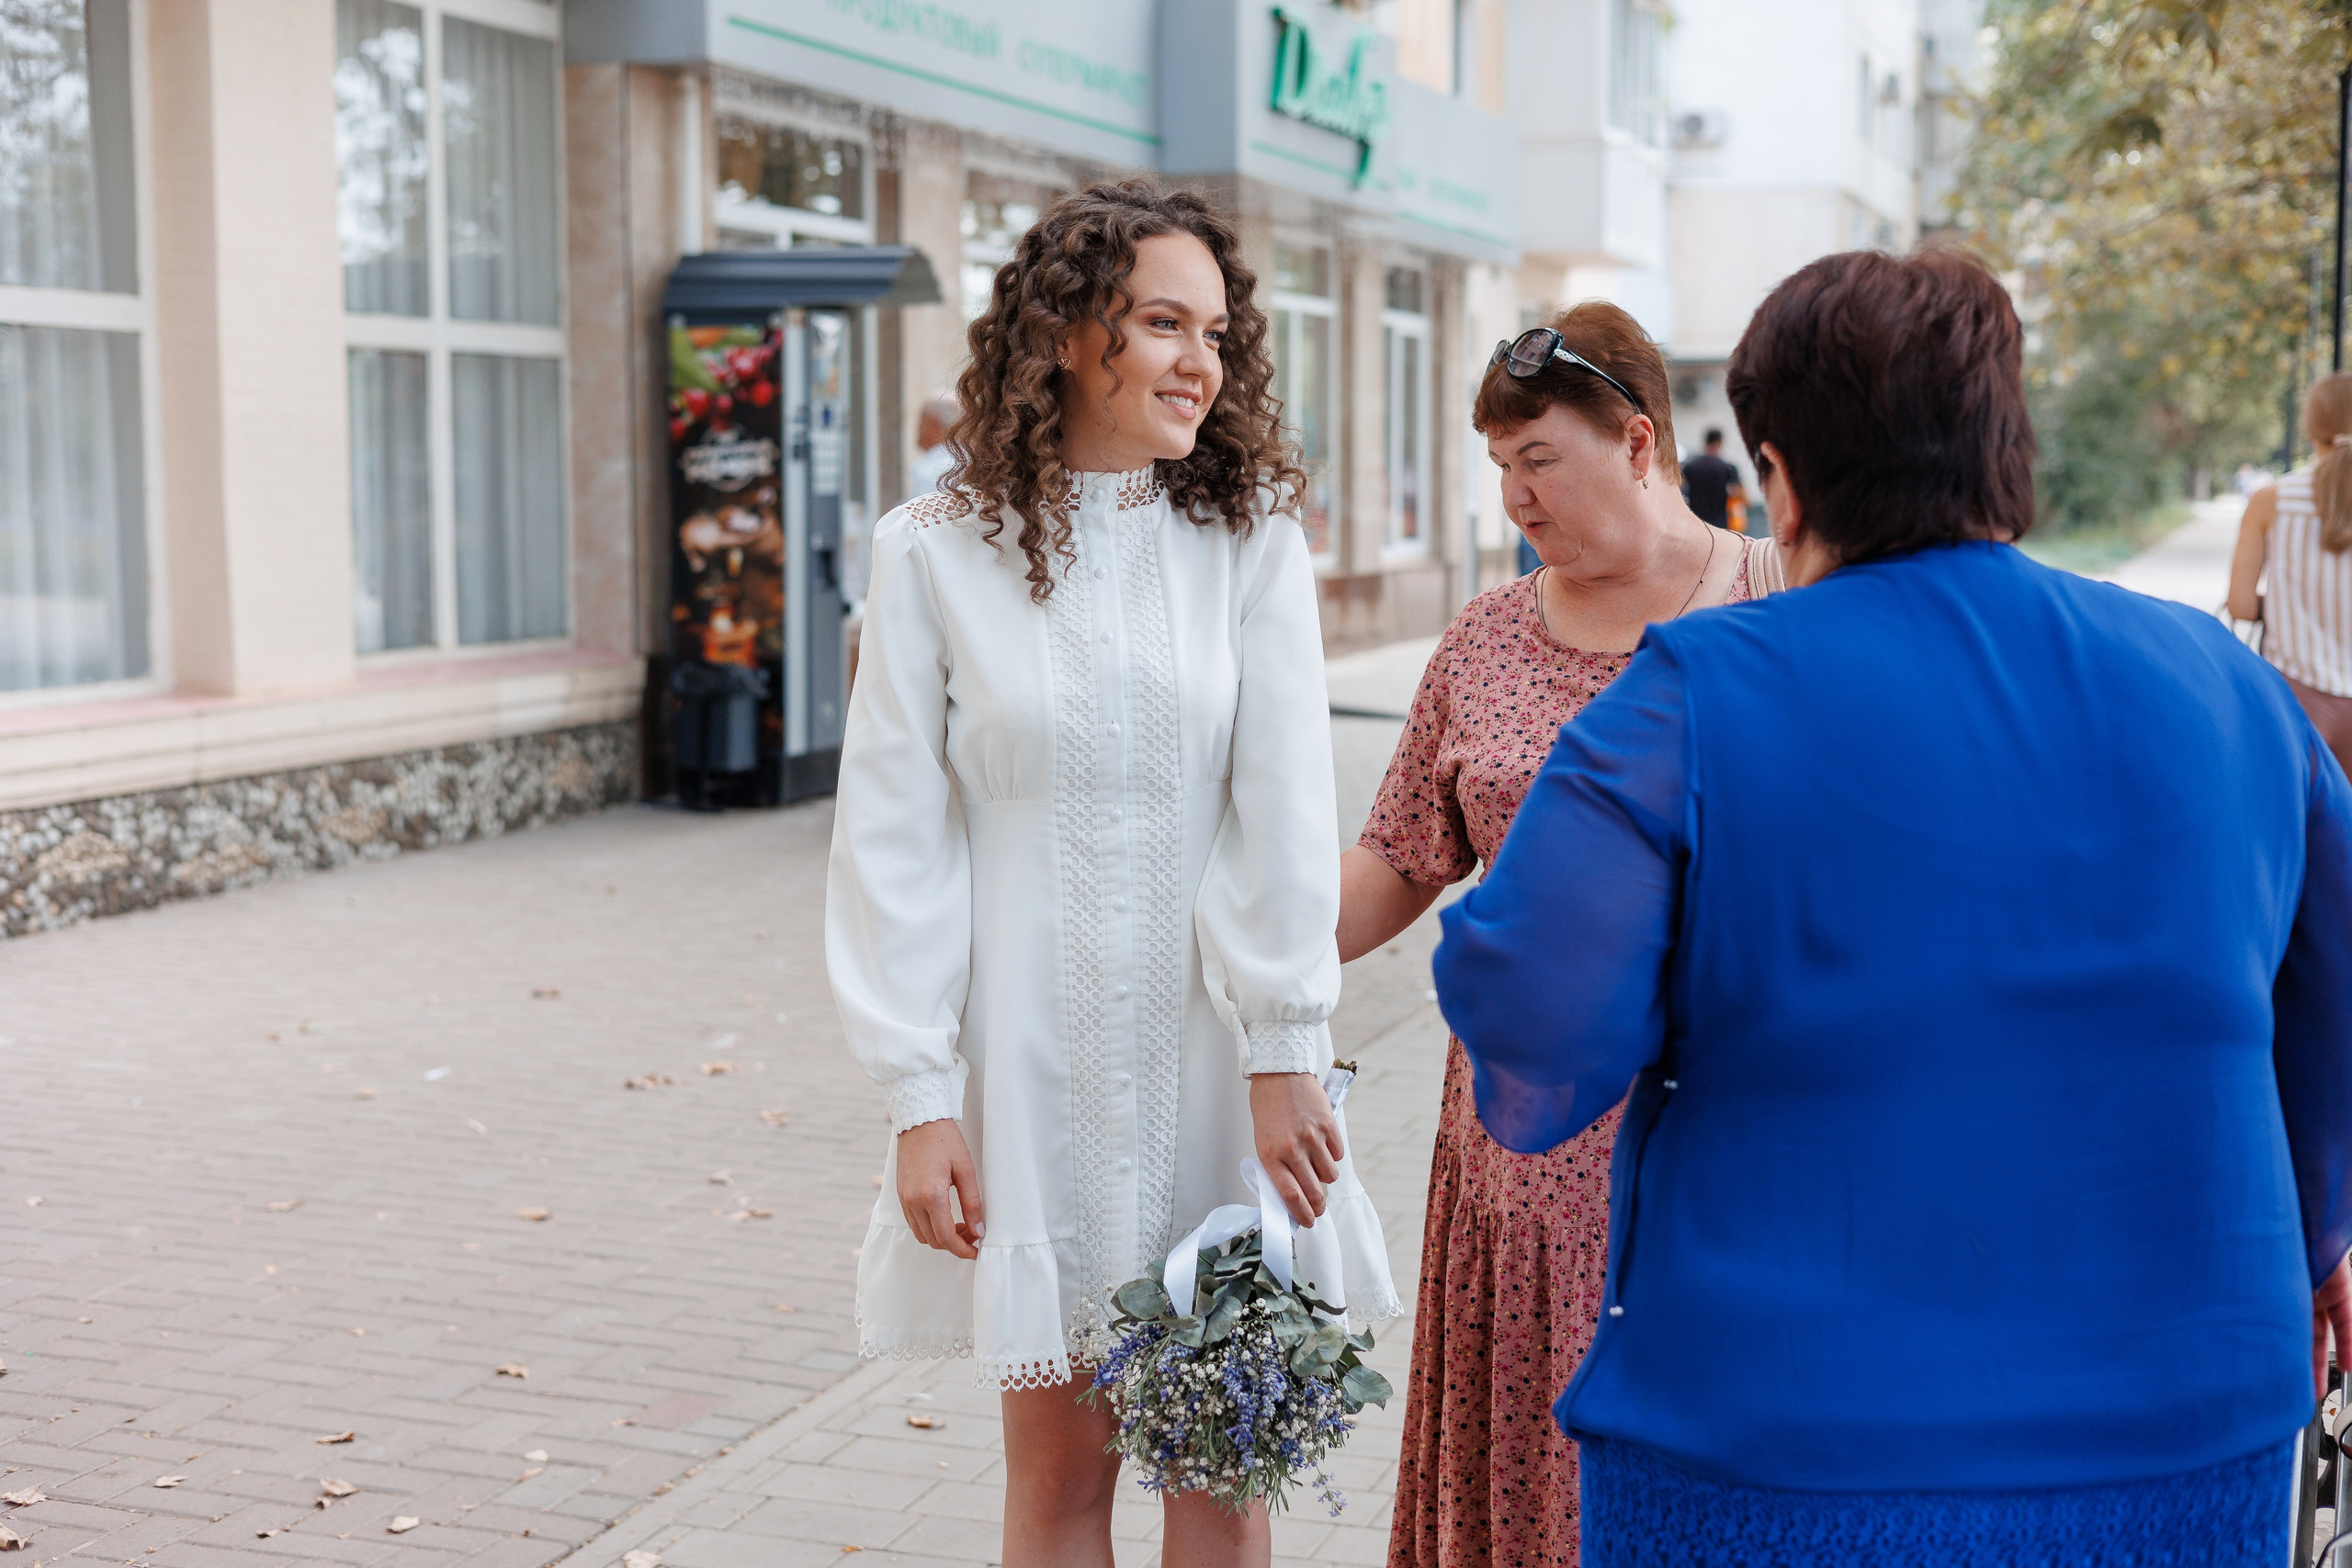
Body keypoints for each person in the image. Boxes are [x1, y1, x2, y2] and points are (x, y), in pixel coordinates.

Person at [1434, 248, 2352, 1565]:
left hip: (1778, 1452)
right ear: (2005, 445)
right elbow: (2332, 1004)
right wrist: (2322, 1231)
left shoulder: (1691, 696)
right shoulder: (2222, 685)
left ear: (1783, 477)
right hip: (2186, 1432)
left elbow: (1531, 1021)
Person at [826, 178, 1399, 1568]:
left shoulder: (1248, 538)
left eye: (1214, 330)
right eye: (1161, 322)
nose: (1200, 359)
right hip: (1027, 1070)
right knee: (1060, 1482)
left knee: (1220, 1472)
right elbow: (892, 841)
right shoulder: (930, 553)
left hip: (1219, 1066)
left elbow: (1277, 798)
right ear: (1073, 332)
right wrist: (916, 1095)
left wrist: (1285, 1042)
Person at [1338, 301, 1784, 1568]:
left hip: (1718, 1150)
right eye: (1499, 468)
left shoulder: (1778, 606)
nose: (1515, 496)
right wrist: (1233, 947)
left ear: (1636, 441)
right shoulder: (1484, 635)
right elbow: (1392, 859)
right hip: (1520, 1162)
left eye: (1540, 460)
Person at [2229, 373, 2352, 778]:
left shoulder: (2272, 500)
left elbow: (2242, 606)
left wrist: (2285, 602)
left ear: (2312, 429)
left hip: (2294, 705)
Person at [1679, 427, 1747, 532]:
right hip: (1720, 526)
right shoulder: (1728, 468)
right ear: (1720, 442)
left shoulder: (1690, 466)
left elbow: (1679, 489)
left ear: (1705, 441)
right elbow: (1744, 499)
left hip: (1695, 525)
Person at [906, 391, 960, 499]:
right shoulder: (966, 459)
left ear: (934, 425)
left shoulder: (930, 467)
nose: (918, 430)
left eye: (922, 423)